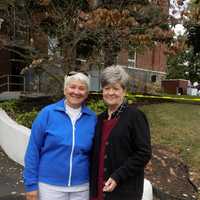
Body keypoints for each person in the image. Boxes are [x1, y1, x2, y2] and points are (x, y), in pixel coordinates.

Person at [23, 72, 97, 200]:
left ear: (87, 93)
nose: (76, 91)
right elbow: (33, 149)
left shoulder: (92, 118)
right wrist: (31, 185)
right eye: (72, 87)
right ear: (65, 89)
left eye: (81, 88)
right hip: (49, 187)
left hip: (82, 187)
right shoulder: (47, 113)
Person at [90, 66, 151, 200]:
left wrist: (118, 176)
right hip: (99, 189)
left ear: (124, 91)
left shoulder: (135, 116)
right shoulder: (100, 119)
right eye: (107, 88)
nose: (111, 92)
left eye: (116, 88)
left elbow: (144, 153)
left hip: (124, 190)